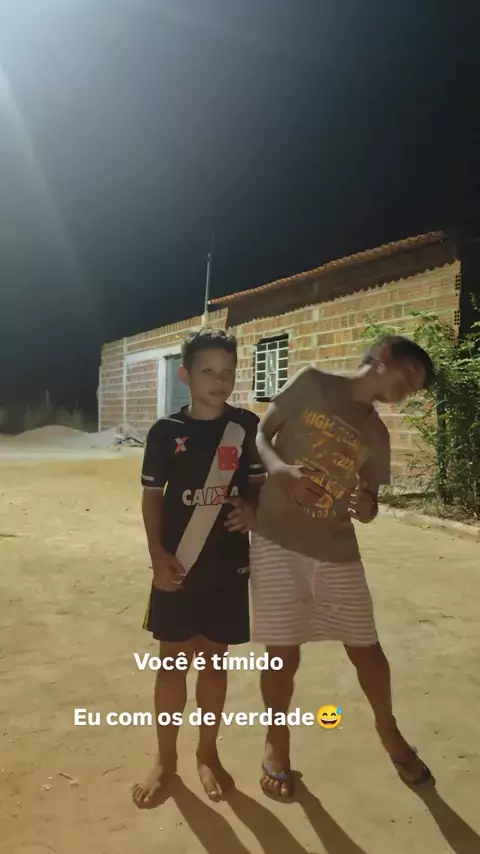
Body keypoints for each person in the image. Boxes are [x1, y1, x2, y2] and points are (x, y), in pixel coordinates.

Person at [250, 334, 436, 799]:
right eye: (408, 377)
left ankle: (388, 730)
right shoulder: (311, 382)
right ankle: (277, 738)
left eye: (413, 390)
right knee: (282, 653)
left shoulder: (377, 434)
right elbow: (260, 435)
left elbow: (368, 503)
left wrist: (366, 506)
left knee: (366, 649)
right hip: (277, 538)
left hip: (336, 548)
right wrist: (279, 472)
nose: (405, 392)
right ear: (384, 356)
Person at [132, 328, 264, 808]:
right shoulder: (165, 432)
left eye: (227, 371)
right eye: (207, 370)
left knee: (214, 662)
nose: (218, 380)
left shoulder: (246, 426)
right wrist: (156, 556)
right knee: (171, 664)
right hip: (179, 564)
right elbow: (152, 497)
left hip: (227, 567)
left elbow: (259, 484)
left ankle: (207, 752)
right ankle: (165, 758)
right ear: (185, 375)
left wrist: (253, 511)